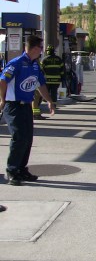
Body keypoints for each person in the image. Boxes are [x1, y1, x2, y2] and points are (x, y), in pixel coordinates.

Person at [0, 35, 55, 186]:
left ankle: (21, 169)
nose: (42, 51)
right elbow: (3, 80)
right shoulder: (17, 63)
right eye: (41, 48)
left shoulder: (35, 65)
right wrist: (2, 99)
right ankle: (12, 170)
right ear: (34, 48)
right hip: (14, 105)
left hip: (26, 106)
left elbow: (41, 84)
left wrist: (49, 101)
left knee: (27, 138)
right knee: (19, 137)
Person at [40, 45, 65, 109]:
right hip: (56, 80)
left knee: (46, 92)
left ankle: (46, 103)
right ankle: (53, 105)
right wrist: (62, 78)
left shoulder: (44, 59)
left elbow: (40, 69)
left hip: (47, 80)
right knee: (54, 93)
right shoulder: (59, 59)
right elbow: (62, 70)